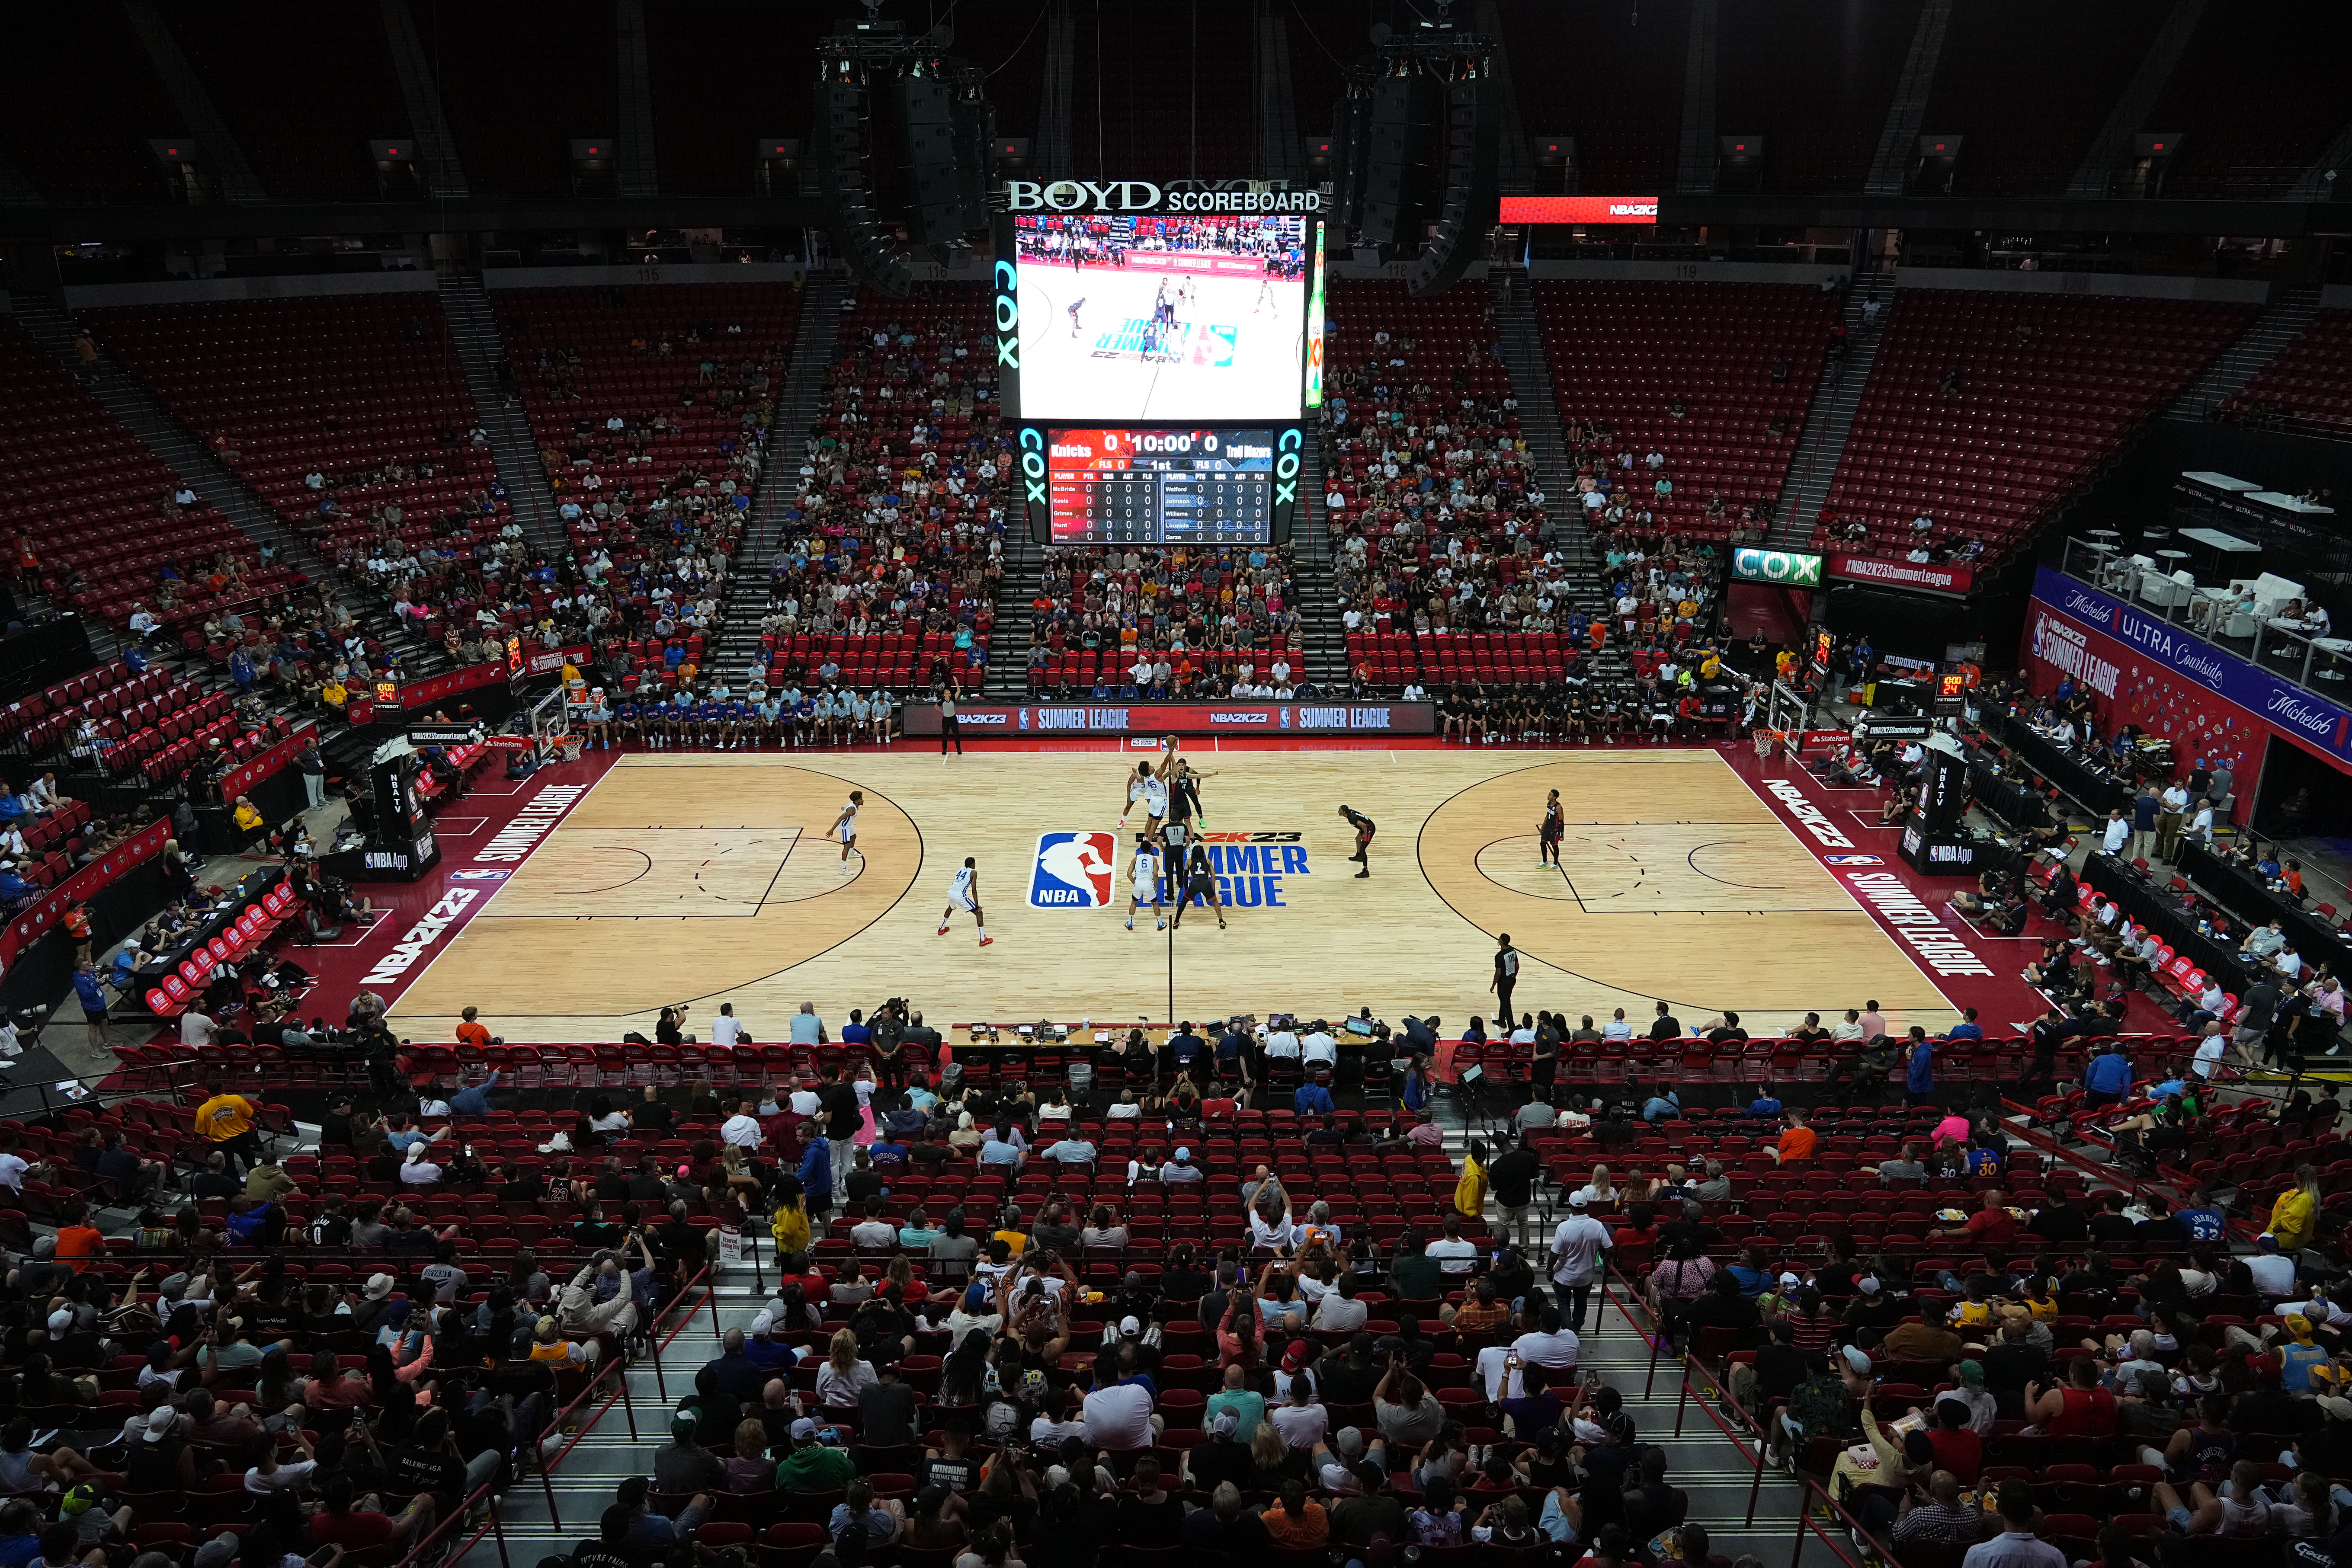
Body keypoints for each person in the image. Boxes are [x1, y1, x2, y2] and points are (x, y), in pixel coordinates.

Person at [938, 856, 991, 947]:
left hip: (950, 892)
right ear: (972, 864)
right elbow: (974, 890)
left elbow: (955, 882)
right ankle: (983, 939)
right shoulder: (974, 873)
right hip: (960, 895)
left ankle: (942, 928)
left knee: (950, 908)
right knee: (979, 913)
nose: (975, 864)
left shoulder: (961, 869)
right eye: (975, 863)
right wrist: (977, 904)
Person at [1339, 804, 1376, 878]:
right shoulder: (1350, 812)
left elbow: (1363, 825)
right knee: (1358, 839)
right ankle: (1359, 856)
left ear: (1344, 812)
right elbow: (1361, 817)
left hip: (1369, 829)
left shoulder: (1352, 818)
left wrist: (1365, 834)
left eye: (1340, 810)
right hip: (1365, 828)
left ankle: (1366, 872)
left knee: (1363, 849)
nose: (1338, 812)